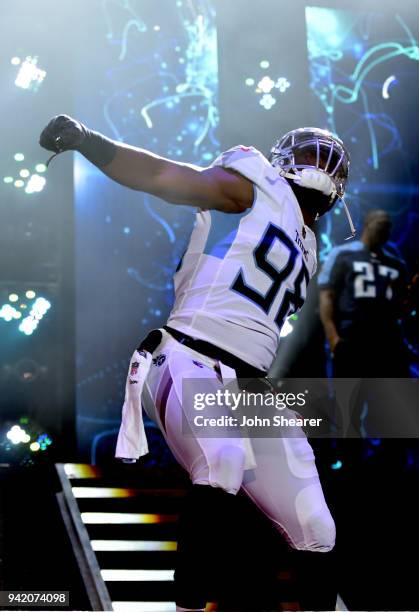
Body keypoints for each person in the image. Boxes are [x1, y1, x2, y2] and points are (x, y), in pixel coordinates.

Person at [40, 117, 352, 611]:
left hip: (251, 385)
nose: (321, 164)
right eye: (311, 154)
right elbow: (165, 178)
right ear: (284, 162)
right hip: (189, 354)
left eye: (327, 159)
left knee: (317, 526)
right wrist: (90, 142)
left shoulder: (311, 246)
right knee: (223, 460)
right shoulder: (253, 187)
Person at [318, 209, 409, 378]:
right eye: (381, 224)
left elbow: (401, 306)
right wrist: (333, 339)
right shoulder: (343, 254)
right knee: (348, 402)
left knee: (383, 402)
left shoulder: (397, 265)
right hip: (351, 340)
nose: (384, 230)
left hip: (387, 344)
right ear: (368, 224)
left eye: (388, 227)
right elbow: (326, 295)